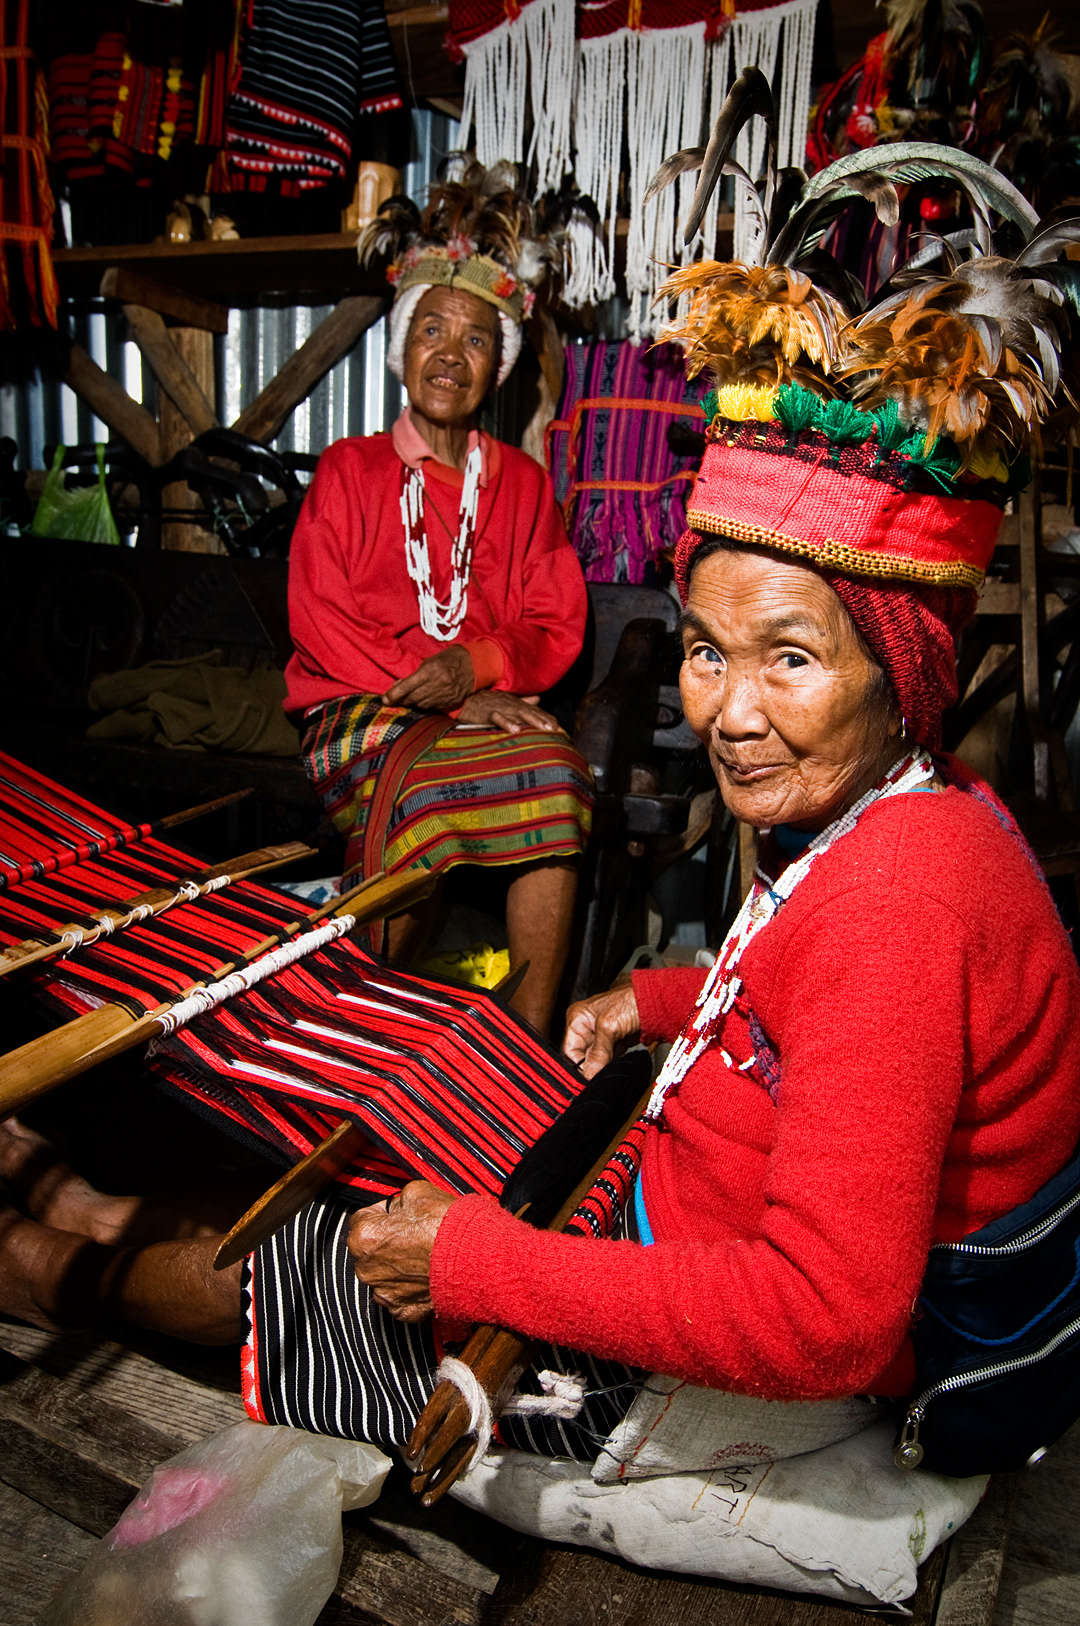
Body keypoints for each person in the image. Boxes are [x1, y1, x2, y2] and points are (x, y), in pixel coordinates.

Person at [3, 135, 1080, 1475]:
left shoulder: (898, 907)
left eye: (791, 657)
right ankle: (97, 1203)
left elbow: (827, 1321)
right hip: (667, 1170)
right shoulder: (919, 811)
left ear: (902, 673)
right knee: (360, 1180)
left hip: (685, 1326)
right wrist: (662, 1000)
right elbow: (814, 999)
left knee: (325, 1260)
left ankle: (39, 1264)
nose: (726, 710)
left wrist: (479, 1257)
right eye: (705, 647)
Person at [285, 159, 593, 1034]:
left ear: (498, 366)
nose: (449, 355)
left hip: (480, 708)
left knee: (561, 774)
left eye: (473, 339)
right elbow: (320, 620)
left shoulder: (527, 486)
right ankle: (358, 1024)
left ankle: (528, 1048)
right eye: (430, 332)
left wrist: (481, 669)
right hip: (355, 713)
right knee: (426, 789)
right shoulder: (349, 472)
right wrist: (449, 690)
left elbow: (554, 619)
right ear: (400, 351)